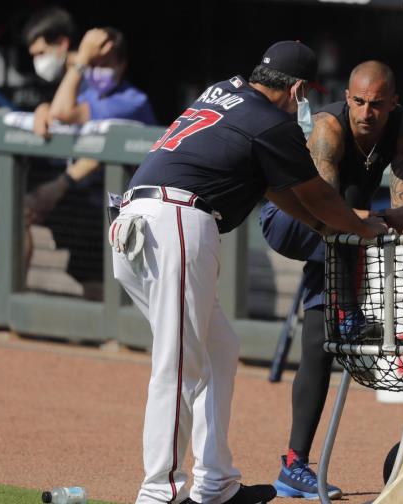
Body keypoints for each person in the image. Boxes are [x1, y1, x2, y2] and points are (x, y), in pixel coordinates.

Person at [111, 41, 387, 504]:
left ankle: (216, 483)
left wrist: (331, 226)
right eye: (305, 94)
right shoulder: (270, 121)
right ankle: (159, 492)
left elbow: (279, 191)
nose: (306, 103)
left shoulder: (226, 92)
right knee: (179, 364)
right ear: (298, 88)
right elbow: (315, 194)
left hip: (138, 224)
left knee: (220, 349)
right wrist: (359, 226)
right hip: (175, 222)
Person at [260, 60, 403, 500]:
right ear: (347, 97)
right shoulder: (327, 129)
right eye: (358, 101)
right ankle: (346, 309)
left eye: (376, 104)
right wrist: (379, 220)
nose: (366, 112)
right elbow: (323, 213)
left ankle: (294, 466)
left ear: (393, 103)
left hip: (343, 230)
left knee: (318, 343)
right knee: (350, 198)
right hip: (290, 219)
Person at [23, 26, 156, 293]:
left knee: (99, 283)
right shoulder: (88, 93)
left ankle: (108, 332)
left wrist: (81, 59)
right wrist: (42, 108)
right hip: (83, 197)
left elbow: (63, 112)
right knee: (21, 212)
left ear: (122, 65)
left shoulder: (133, 101)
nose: (96, 71)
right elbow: (58, 111)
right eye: (92, 64)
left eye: (104, 64)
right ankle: (12, 305)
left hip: (125, 209)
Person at [23, 5, 77, 86]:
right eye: (34, 56)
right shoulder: (66, 82)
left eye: (41, 53)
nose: (37, 61)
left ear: (62, 43)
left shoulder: (95, 76)